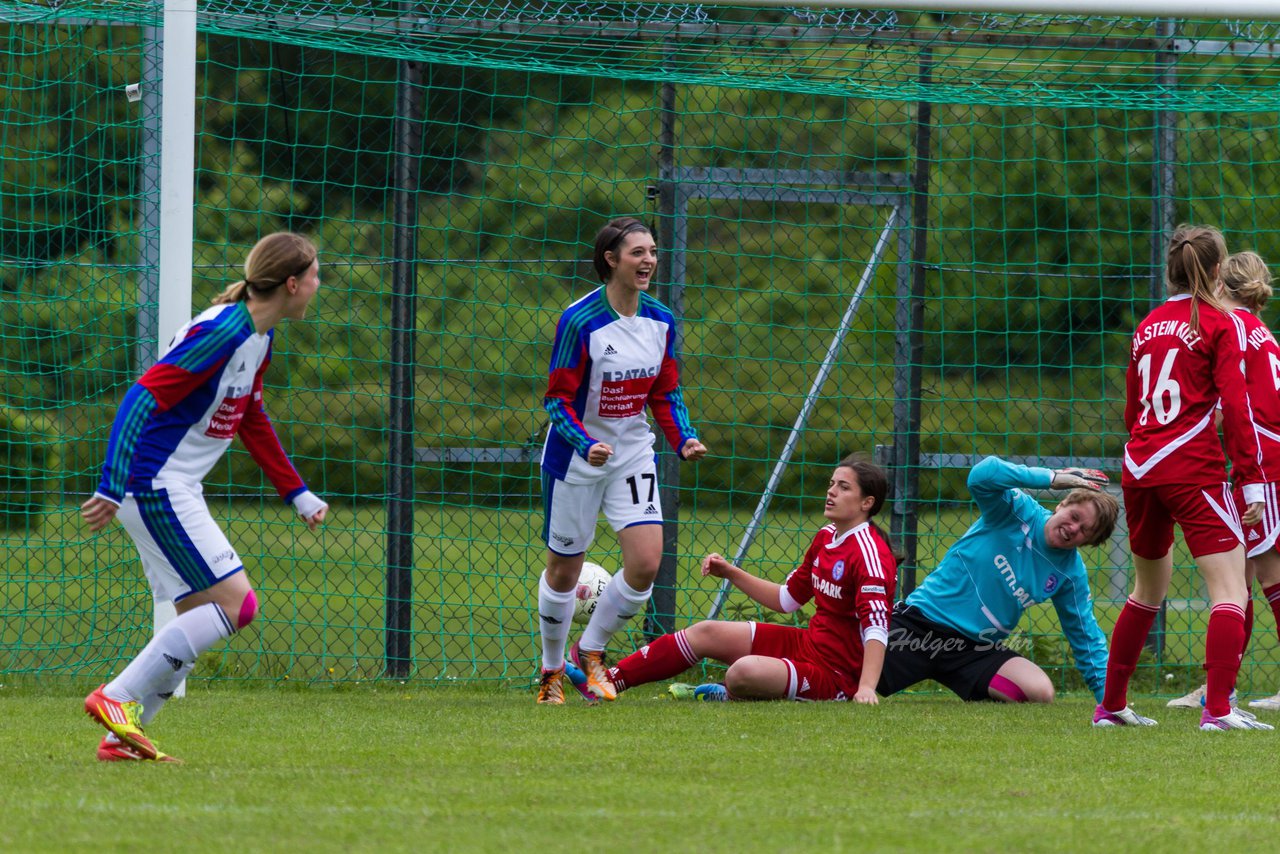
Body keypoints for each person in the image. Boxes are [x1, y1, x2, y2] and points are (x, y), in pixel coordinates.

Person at [81, 232, 330, 761]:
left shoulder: (258, 337)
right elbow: (141, 395)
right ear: (291, 283)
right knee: (238, 605)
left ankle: (119, 741)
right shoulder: (224, 333)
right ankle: (116, 697)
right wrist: (111, 480)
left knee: (197, 613)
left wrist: (297, 492)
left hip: (166, 485)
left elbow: (252, 417)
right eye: (314, 275)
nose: (317, 285)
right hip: (154, 483)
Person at [1098, 225, 1272, 731]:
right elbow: (1237, 410)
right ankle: (1217, 710)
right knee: (1229, 591)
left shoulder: (1148, 324)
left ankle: (1110, 705)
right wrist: (1252, 481)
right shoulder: (1220, 323)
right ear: (1218, 272)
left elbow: (1133, 409)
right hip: (1190, 466)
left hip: (1139, 467)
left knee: (1146, 590)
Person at [535, 217, 707, 704]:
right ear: (611, 260)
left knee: (646, 563)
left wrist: (684, 438)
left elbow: (666, 393)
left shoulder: (660, 320)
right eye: (637, 252)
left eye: (652, 251)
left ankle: (590, 654)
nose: (648, 260)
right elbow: (557, 401)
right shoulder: (580, 320)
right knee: (564, 572)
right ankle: (550, 673)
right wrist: (585, 441)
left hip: (632, 452)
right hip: (576, 457)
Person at [608, 454, 897, 703]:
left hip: (835, 675)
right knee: (706, 631)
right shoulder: (826, 536)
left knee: (742, 672)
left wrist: (865, 688)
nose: (831, 492)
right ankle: (607, 681)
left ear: (866, 503)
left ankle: (726, 692)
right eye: (831, 484)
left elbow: (876, 628)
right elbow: (787, 599)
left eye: (843, 487)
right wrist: (730, 572)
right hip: (808, 645)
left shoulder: (869, 554)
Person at [876, 456, 1118, 705]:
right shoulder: (1017, 511)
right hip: (920, 625)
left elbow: (1085, 635)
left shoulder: (1070, 573)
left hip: (975, 651)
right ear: (1063, 504)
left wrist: (1110, 704)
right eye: (1075, 516)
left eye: (1085, 530)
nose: (1074, 528)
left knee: (1039, 692)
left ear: (1089, 542)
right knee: (851, 673)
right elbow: (983, 474)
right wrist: (1051, 478)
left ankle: (978, 687)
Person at [1165, 250, 1280, 714]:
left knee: (1270, 572)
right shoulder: (1262, 333)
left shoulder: (1233, 329)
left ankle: (1221, 692)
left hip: (1263, 460)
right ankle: (1220, 688)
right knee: (1240, 578)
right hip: (1259, 457)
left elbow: (1240, 404)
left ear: (1219, 285)